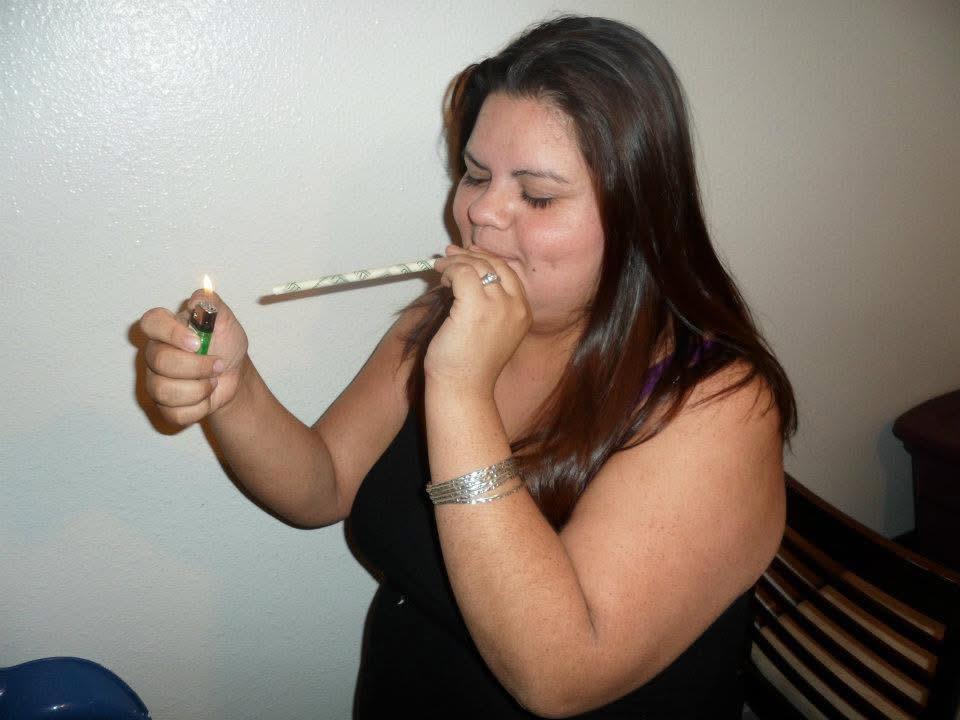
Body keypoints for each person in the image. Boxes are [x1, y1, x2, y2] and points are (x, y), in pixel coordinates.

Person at [139, 15, 796, 719]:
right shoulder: (447, 317)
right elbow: (322, 484)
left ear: (642, 211)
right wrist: (230, 389)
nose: (480, 213)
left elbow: (558, 675)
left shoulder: (716, 404)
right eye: (475, 175)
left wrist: (458, 389)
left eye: (537, 196)